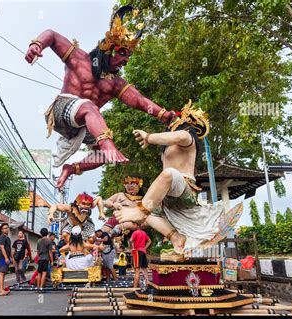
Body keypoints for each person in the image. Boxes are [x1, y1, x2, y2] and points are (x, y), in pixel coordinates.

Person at [25, 5, 179, 189]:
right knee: (90, 107)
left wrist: (164, 115)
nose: (126, 60)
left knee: (103, 155)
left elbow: (140, 101)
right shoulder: (79, 59)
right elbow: (52, 35)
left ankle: (70, 168)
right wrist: (37, 45)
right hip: (61, 110)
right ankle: (108, 144)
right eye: (123, 53)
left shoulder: (115, 83)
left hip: (82, 125)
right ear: (109, 49)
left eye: (128, 56)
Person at [115, 101, 228, 255]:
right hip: (168, 197)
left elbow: (179, 136)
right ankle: (176, 237)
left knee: (168, 174)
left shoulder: (188, 138)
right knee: (149, 214)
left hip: (184, 188)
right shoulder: (169, 147)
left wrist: (149, 137)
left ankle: (140, 210)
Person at [36, 228, 54, 293]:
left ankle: (37, 288)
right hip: (46, 259)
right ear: (47, 233)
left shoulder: (39, 241)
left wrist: (38, 258)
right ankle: (41, 288)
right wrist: (52, 261)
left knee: (39, 273)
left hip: (40, 259)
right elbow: (50, 252)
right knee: (44, 273)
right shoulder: (49, 241)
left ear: (41, 233)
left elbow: (37, 251)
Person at [0, 223, 12, 296]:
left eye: (7, 228)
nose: (6, 229)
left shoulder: (7, 237)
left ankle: (2, 289)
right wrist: (6, 258)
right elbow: (2, 247)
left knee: (3, 273)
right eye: (4, 228)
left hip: (6, 257)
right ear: (2, 230)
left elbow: (9, 249)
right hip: (2, 258)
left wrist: (11, 257)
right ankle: (1, 291)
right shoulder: (2, 237)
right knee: (1, 273)